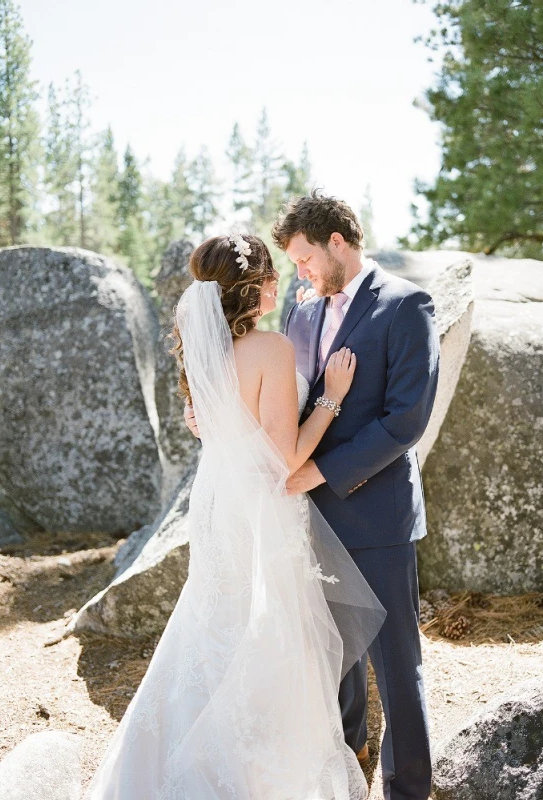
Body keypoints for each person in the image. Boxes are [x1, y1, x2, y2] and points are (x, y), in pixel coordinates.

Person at [87, 232, 385, 799]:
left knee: (212, 621)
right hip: (261, 510)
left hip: (218, 504)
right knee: (269, 630)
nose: (280, 281)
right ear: (253, 286)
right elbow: (286, 457)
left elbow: (215, 428)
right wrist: (332, 397)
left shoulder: (207, 354)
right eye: (272, 273)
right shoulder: (270, 349)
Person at [275, 191, 440, 800]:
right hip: (309, 517)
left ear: (337, 242)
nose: (301, 272)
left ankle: (408, 789)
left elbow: (405, 421)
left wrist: (320, 472)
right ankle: (349, 759)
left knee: (397, 667)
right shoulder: (299, 314)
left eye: (304, 258)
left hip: (377, 516)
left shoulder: (406, 305)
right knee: (332, 657)